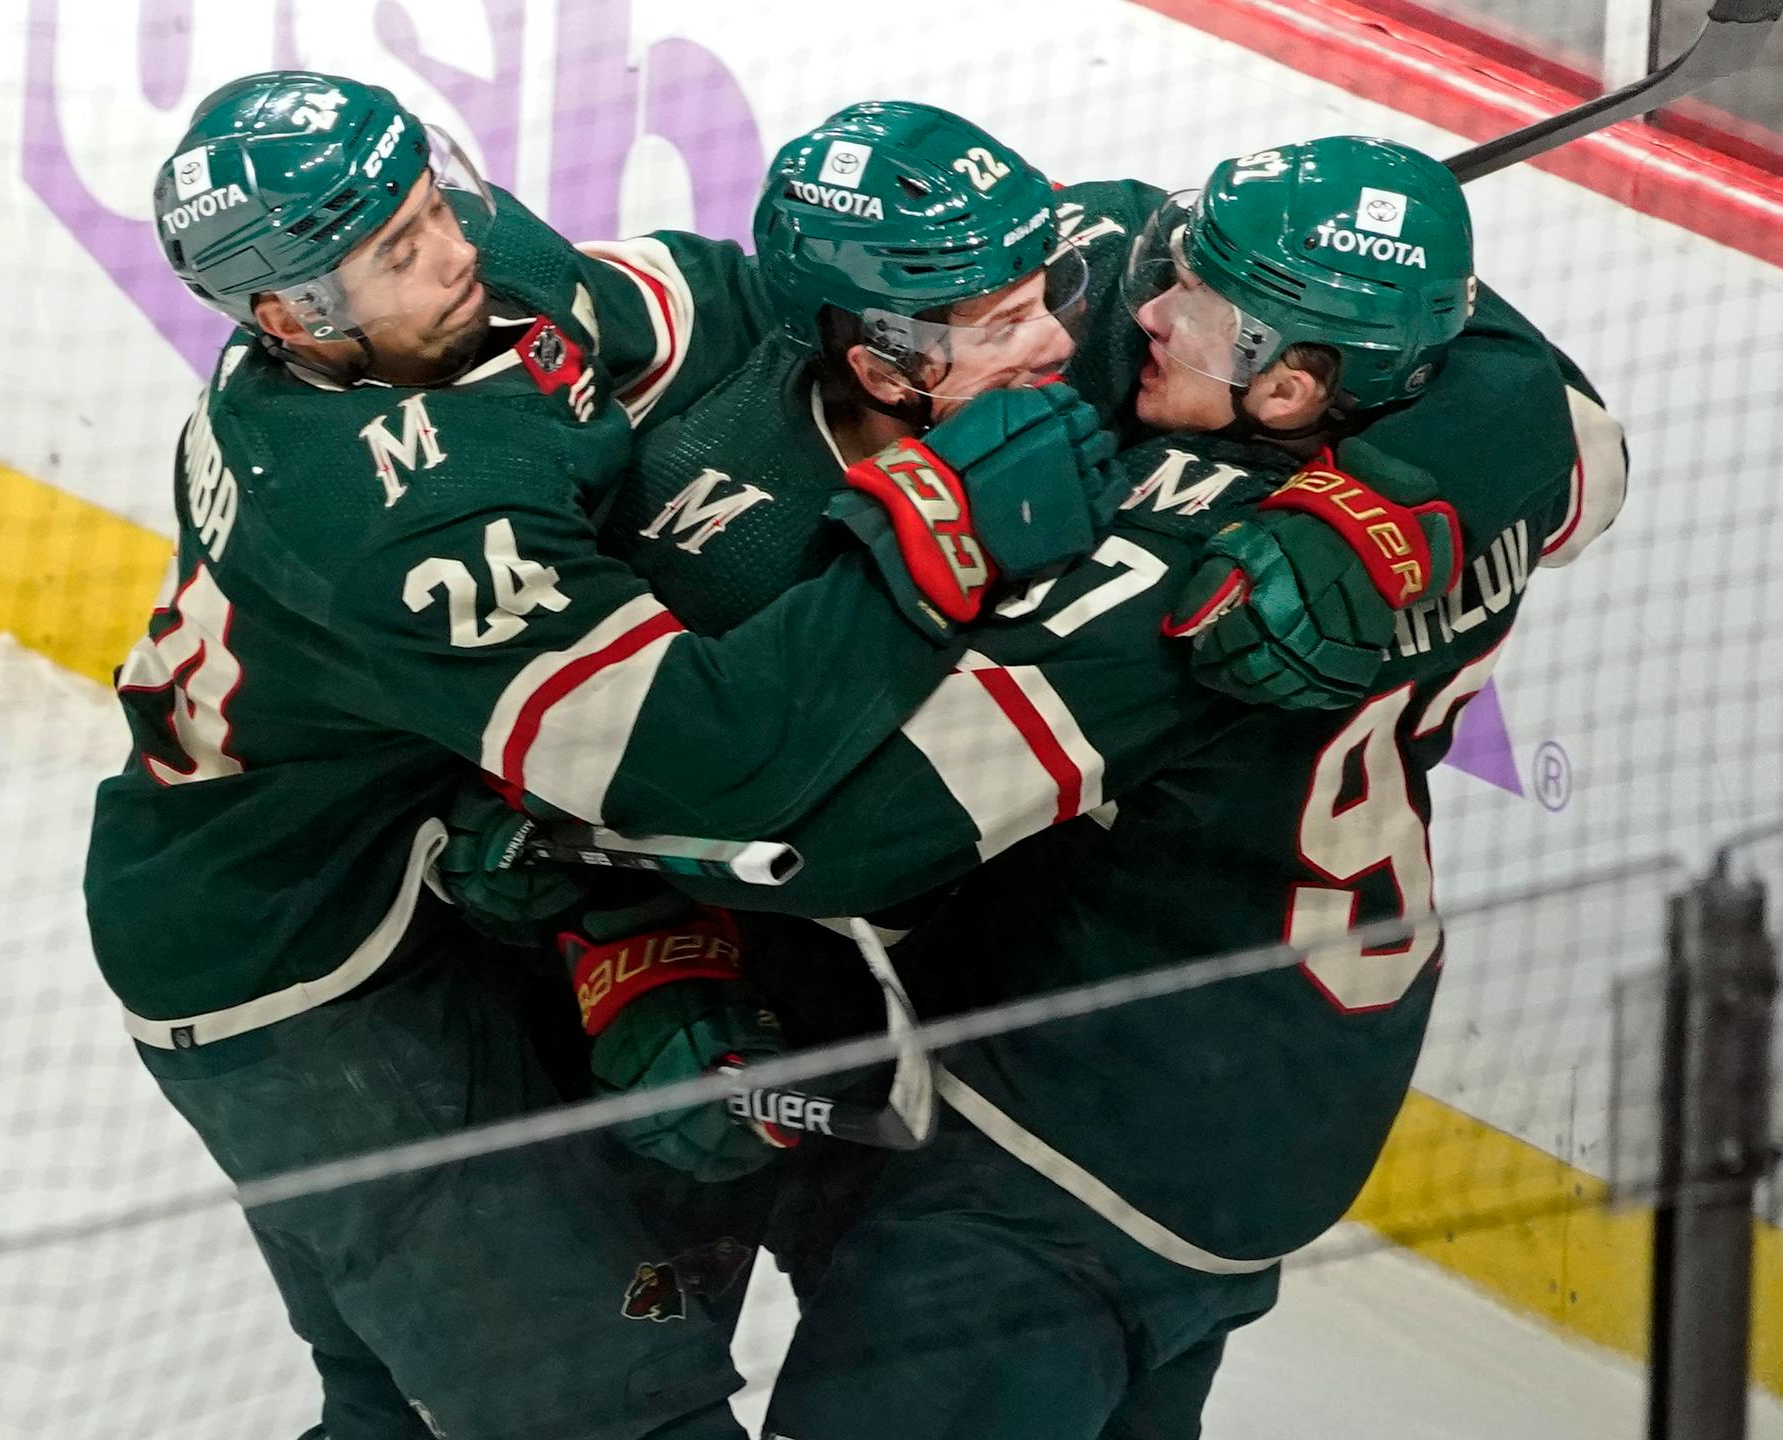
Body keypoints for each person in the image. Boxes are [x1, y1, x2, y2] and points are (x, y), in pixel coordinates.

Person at [81, 71, 1119, 1440]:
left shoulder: (442, 297)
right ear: (293, 319)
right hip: (301, 984)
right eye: (400, 249)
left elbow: (709, 305)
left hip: (394, 891)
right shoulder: (406, 521)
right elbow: (707, 765)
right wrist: (931, 547)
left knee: (394, 1401)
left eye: (433, 200)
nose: (459, 247)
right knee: (620, 1407)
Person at [572, 123, 1624, 1438]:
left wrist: (581, 854)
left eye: (1198, 297)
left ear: (1291, 386)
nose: (1143, 305)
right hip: (1283, 1103)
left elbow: (847, 841)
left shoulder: (1187, 576)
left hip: (1062, 1153)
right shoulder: (1455, 481)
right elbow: (1578, 433)